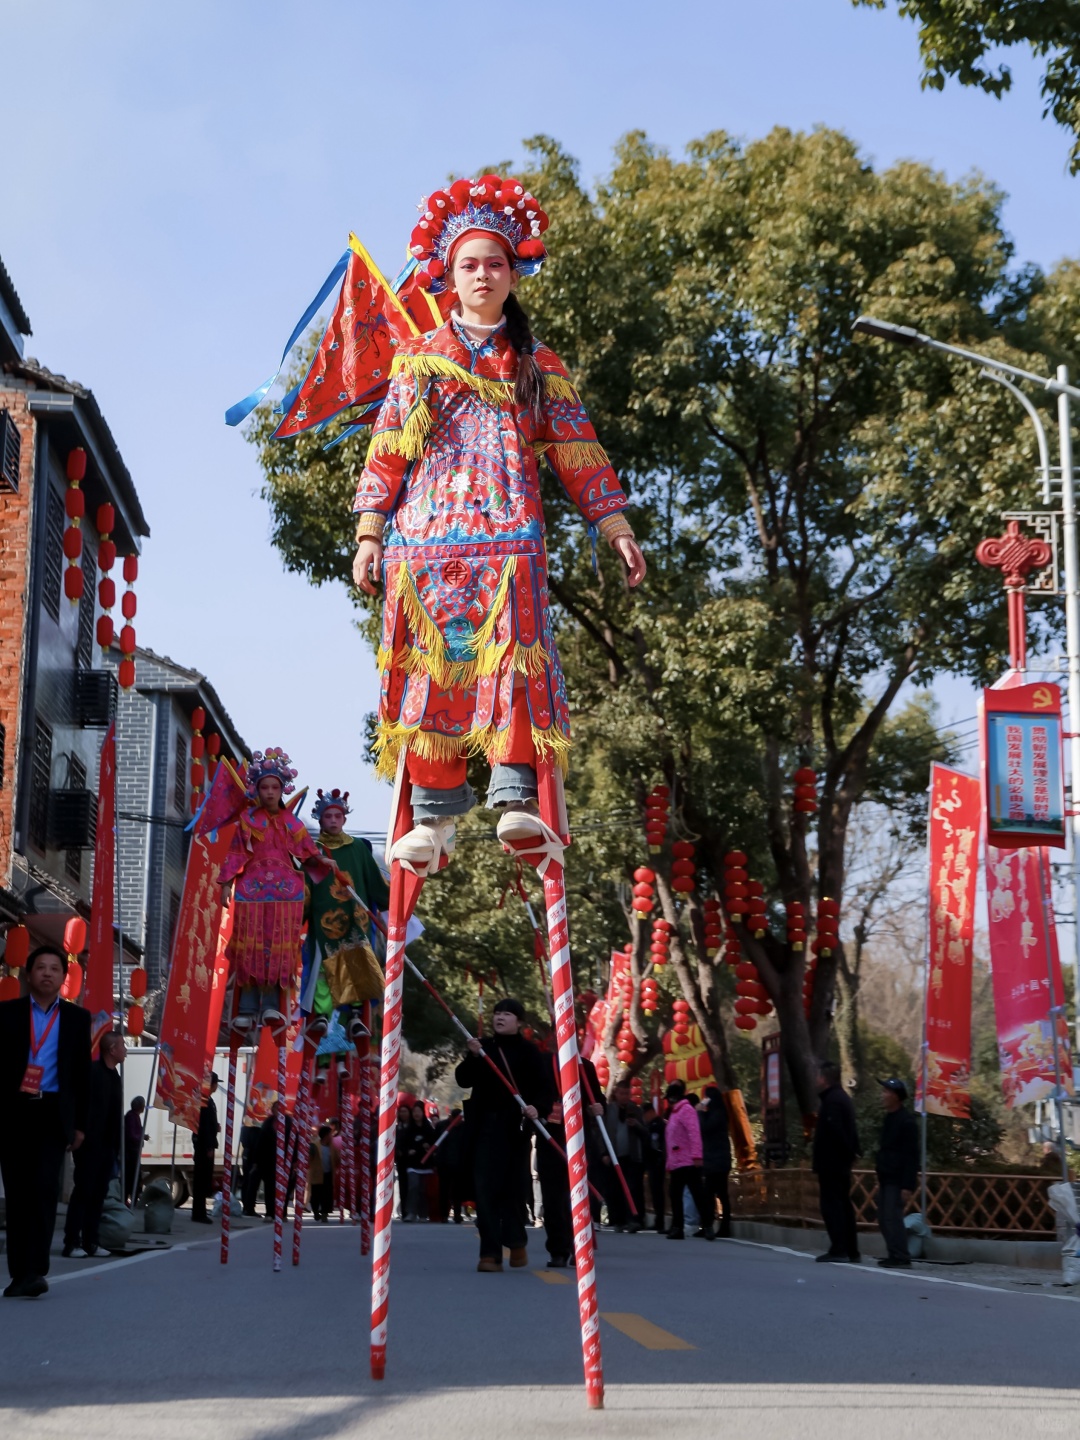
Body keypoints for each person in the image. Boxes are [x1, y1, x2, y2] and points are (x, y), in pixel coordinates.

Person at [350, 173, 646, 877]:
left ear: (516, 273)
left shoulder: (539, 366)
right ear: (448, 276)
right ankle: (433, 816)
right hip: (424, 546)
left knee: (514, 668)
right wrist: (368, 533)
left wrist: (616, 527)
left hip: (511, 544)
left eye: (494, 263)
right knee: (431, 671)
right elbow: (389, 446)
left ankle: (514, 798)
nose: (482, 275)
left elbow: (578, 449)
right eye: (469, 264)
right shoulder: (420, 358)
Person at [218, 749, 335, 1034]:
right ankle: (246, 1007)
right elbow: (235, 854)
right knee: (250, 948)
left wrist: (322, 860)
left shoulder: (292, 823)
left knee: (276, 949)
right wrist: (224, 884)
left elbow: (306, 851)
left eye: (275, 787)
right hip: (252, 893)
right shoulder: (247, 821)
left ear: (282, 790)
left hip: (284, 896)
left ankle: (270, 1004)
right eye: (264, 787)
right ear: (257, 790)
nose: (270, 792)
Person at [0, 945, 92, 1296]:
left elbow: (82, 1076)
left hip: (53, 1114)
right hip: (14, 1112)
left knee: (44, 1189)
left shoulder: (76, 1019)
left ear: (64, 978)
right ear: (28, 974)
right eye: (41, 967)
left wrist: (80, 1125)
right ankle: (20, 1273)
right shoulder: (6, 1014)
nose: (48, 973)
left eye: (55, 968)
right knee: (19, 1193)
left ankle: (36, 1270)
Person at [454, 998, 551, 1272]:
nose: (500, 1017)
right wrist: (472, 1056)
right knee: (484, 1191)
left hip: (515, 1130)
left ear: (519, 1021)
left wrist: (537, 1107)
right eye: (497, 1013)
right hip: (484, 1128)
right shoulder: (482, 1048)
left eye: (507, 1014)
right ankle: (490, 1254)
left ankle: (516, 1241)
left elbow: (544, 1088)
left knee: (513, 1189)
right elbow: (463, 1079)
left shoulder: (530, 1052)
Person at [302, 788, 386, 1042]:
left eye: (338, 815)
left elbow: (373, 880)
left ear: (344, 819)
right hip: (323, 919)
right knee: (322, 967)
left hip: (355, 917)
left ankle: (357, 1017)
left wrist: (392, 899)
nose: (333, 820)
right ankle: (321, 1015)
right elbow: (305, 886)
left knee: (356, 964)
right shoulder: (312, 852)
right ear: (320, 820)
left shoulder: (359, 848)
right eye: (328, 816)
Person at [537, 1044, 602, 1268]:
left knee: (578, 1195)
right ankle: (557, 1249)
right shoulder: (543, 1063)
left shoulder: (585, 1067)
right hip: (550, 1137)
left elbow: (598, 1099)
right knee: (552, 1198)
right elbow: (532, 1095)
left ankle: (580, 1246)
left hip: (579, 1139)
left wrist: (599, 1107)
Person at [63, 1030, 126, 1258]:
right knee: (84, 1192)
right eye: (122, 1045)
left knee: (99, 1194)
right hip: (90, 1143)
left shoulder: (115, 1076)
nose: (125, 1050)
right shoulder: (92, 1072)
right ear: (112, 1050)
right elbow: (80, 1105)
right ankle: (71, 1242)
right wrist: (77, 1132)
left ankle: (92, 1241)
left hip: (108, 1145)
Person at [812, 1060, 862, 1263]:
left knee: (833, 1205)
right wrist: (854, 1152)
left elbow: (838, 1132)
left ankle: (839, 1248)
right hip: (840, 1162)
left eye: (817, 1076)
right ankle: (851, 1250)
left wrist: (846, 1153)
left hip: (832, 1163)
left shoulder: (833, 1101)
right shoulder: (841, 1098)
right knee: (843, 1204)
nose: (815, 1080)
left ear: (824, 1079)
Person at [875, 1077, 919, 1268]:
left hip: (897, 1178)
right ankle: (893, 1253)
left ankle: (901, 1256)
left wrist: (907, 1185)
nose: (882, 1095)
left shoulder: (906, 1121)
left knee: (893, 1217)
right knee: (884, 1218)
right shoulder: (889, 1118)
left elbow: (911, 1155)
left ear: (896, 1096)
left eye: (886, 1092)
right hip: (886, 1176)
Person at [664, 1082, 711, 1241]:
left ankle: (708, 1226)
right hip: (677, 1161)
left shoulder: (686, 1110)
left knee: (697, 1194)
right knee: (676, 1194)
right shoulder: (675, 1113)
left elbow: (694, 1133)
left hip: (689, 1161)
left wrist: (697, 1156)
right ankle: (678, 1227)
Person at [603, 1080, 646, 1232]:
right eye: (621, 1093)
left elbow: (644, 1132)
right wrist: (605, 1153)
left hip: (632, 1156)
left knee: (632, 1188)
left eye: (627, 1093)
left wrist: (636, 1125)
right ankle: (618, 1220)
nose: (624, 1096)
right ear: (616, 1093)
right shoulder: (609, 1110)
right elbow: (603, 1132)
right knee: (615, 1189)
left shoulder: (635, 1109)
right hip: (614, 1156)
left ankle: (633, 1220)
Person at [699, 1086, 733, 1239]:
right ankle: (713, 1225)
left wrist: (700, 1111)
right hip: (717, 1159)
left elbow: (704, 1128)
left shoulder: (717, 1114)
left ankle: (715, 1225)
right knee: (717, 1194)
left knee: (712, 1194)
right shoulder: (720, 1112)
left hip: (717, 1161)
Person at [190, 1071, 220, 1224]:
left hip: (207, 1144)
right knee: (201, 1180)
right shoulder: (203, 1101)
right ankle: (198, 1213)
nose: (216, 1087)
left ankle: (200, 1211)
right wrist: (208, 1146)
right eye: (215, 1084)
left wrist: (216, 1127)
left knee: (204, 1180)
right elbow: (203, 1127)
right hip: (203, 1145)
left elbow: (210, 1125)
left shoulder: (208, 1100)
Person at [643, 1103, 667, 1233]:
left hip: (658, 1162)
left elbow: (660, 1144)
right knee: (654, 1192)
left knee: (658, 1193)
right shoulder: (648, 1126)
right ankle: (658, 1220)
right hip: (651, 1163)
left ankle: (661, 1221)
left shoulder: (659, 1125)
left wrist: (660, 1158)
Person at [124, 1095, 145, 1206]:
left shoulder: (134, 1116)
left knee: (135, 1176)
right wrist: (141, 1137)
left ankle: (133, 1198)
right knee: (132, 1177)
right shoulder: (131, 1117)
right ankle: (130, 1199)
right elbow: (132, 1135)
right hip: (131, 1153)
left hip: (134, 1152)